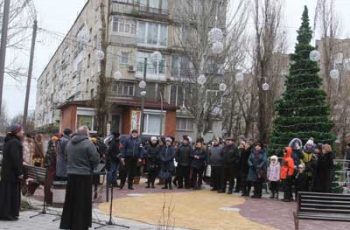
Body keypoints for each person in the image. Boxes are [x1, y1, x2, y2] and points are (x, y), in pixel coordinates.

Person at [60, 126, 100, 230]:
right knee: (82, 201)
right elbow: (95, 159)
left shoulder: (69, 143)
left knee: (71, 200)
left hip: (71, 175)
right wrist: (92, 167)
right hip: (84, 176)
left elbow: (65, 157)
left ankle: (69, 223)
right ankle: (81, 225)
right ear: (86, 133)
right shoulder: (88, 143)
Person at [0, 125, 24, 221]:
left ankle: (5, 213)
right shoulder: (14, 142)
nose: (23, 133)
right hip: (12, 173)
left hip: (7, 172)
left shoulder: (9, 140)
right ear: (17, 132)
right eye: (22, 131)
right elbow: (15, 158)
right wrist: (19, 172)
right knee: (10, 194)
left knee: (6, 193)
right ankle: (9, 213)